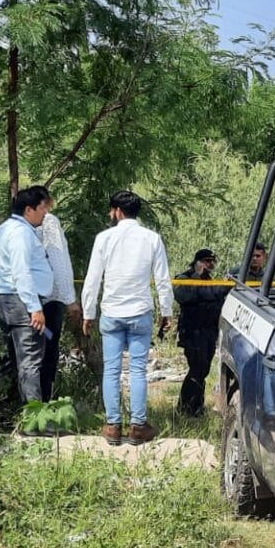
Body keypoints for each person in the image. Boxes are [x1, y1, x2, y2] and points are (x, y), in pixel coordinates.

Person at [81, 190, 173, 446]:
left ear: (117, 211)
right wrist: (167, 311)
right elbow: (163, 279)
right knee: (137, 370)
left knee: (111, 370)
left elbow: (92, 279)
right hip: (140, 311)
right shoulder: (152, 238)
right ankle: (138, 427)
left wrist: (89, 313)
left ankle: (112, 427)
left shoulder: (104, 238)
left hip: (111, 311)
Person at [0, 185, 53, 426]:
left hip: (7, 299)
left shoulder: (6, 229)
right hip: (21, 300)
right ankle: (34, 422)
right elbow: (21, 272)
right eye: (42, 208)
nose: (45, 213)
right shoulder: (21, 233)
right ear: (29, 209)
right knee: (30, 361)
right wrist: (34, 307)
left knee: (10, 360)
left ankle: (3, 416)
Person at [36, 187, 80, 403]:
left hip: (27, 299)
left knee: (28, 353)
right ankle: (43, 403)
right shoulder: (49, 221)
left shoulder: (17, 226)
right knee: (48, 353)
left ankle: (23, 404)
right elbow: (58, 259)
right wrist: (70, 299)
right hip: (52, 299)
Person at [173, 248, 224, 417]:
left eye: (212, 261)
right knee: (197, 368)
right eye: (207, 261)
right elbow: (182, 296)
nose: (210, 265)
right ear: (198, 262)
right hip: (192, 332)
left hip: (209, 332)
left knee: (204, 369)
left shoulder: (212, 282)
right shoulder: (184, 279)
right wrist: (196, 275)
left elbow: (219, 298)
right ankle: (186, 406)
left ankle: (196, 406)